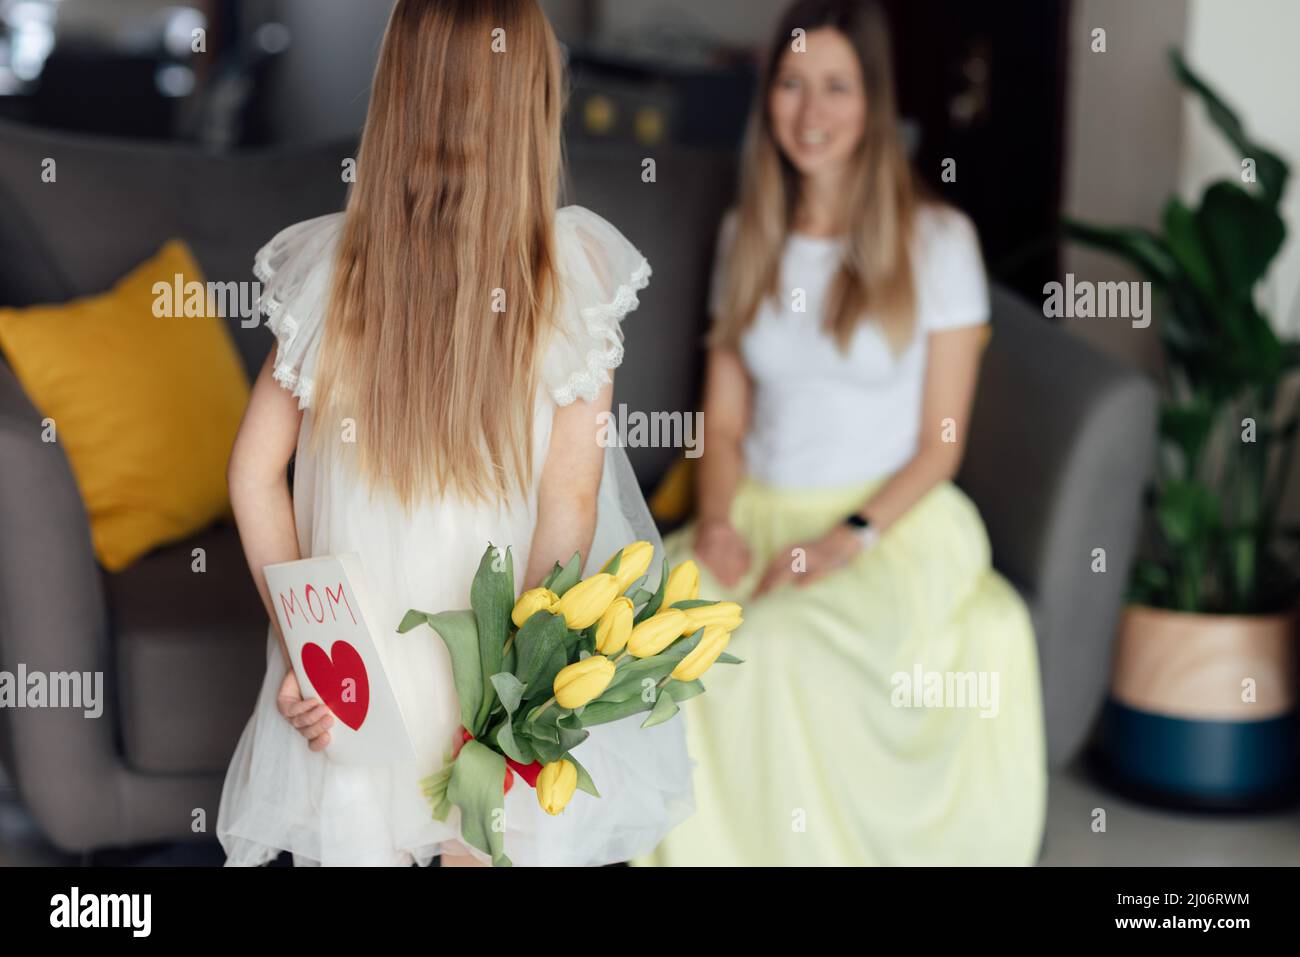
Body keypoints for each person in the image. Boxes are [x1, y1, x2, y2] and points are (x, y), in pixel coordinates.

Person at [216, 0, 692, 867]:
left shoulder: (328, 274)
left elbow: (254, 474)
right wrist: (506, 733)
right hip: (491, 690)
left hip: (356, 678)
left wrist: (312, 650)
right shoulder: (572, 280)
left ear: (393, 92)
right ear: (532, 103)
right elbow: (566, 518)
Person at [640, 0, 1046, 866]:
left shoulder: (939, 241)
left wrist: (845, 540)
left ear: (872, 101)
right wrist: (715, 522)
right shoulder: (745, 233)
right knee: (657, 627)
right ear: (767, 97)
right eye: (791, 85)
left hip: (889, 527)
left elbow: (942, 441)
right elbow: (726, 414)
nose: (811, 112)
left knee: (772, 644)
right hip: (753, 510)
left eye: (836, 86)